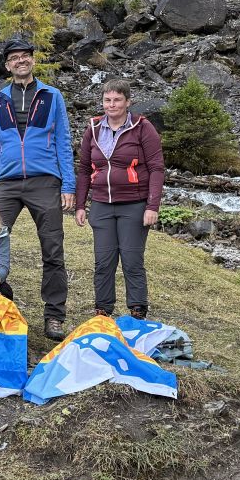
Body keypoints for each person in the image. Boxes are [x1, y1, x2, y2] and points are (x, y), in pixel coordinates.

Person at [0, 39, 76, 341]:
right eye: (15, 57)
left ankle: (54, 315)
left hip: (45, 181)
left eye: (26, 56)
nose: (21, 61)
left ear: (33, 61)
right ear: (8, 65)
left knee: (52, 249)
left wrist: (69, 184)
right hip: (8, 183)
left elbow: (64, 141)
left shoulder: (52, 96)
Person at [75, 79, 165, 320]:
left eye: (117, 100)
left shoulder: (143, 127)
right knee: (103, 262)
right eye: (107, 100)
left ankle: (137, 311)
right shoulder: (93, 129)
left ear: (127, 102)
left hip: (134, 205)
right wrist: (80, 205)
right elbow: (84, 169)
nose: (111, 104)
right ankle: (102, 312)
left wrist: (152, 206)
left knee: (132, 259)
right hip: (102, 205)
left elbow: (157, 168)